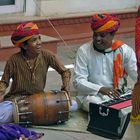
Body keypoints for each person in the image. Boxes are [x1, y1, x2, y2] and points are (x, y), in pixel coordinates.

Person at [0, 22, 71, 123]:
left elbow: (65, 72)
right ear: (24, 46)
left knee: (72, 105)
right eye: (34, 40)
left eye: (39, 38)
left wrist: (66, 87)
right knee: (2, 114)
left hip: (39, 101)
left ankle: (24, 116)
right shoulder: (14, 60)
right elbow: (4, 82)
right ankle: (25, 115)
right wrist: (1, 92)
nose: (39, 43)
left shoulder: (47, 55)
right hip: (16, 101)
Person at [73, 13, 137, 112]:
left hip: (119, 94)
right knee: (96, 105)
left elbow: (136, 74)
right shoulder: (84, 51)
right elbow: (78, 82)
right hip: (92, 96)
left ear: (112, 35)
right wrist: (101, 89)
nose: (97, 39)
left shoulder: (124, 50)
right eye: (95, 34)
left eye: (102, 35)